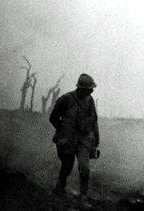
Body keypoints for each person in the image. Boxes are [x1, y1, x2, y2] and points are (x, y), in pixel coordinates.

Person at [49, 73, 100, 204]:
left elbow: (94, 121)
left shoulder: (90, 100)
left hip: (84, 139)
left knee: (84, 168)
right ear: (81, 89)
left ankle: (83, 196)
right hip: (68, 140)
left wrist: (96, 140)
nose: (92, 91)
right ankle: (59, 188)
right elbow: (53, 118)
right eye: (89, 88)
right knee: (67, 166)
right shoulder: (65, 99)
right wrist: (63, 131)